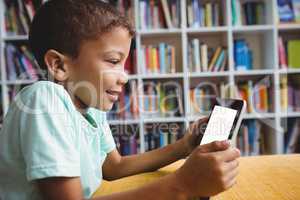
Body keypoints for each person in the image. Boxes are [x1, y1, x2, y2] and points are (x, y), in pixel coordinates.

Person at [0, 0, 240, 199]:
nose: (125, 77)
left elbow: (114, 167)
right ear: (59, 65)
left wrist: (184, 147)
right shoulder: (45, 99)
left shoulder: (91, 107)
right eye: (114, 61)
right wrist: (182, 185)